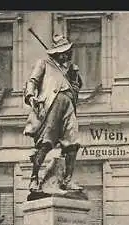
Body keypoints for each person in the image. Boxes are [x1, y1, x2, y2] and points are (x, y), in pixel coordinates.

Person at [23, 34, 83, 192]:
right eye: (62, 52)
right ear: (55, 53)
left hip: (69, 106)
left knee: (73, 143)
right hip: (52, 104)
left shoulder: (69, 69)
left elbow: (77, 87)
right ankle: (34, 179)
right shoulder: (44, 63)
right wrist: (31, 96)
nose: (65, 54)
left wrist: (75, 76)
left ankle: (67, 181)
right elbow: (32, 81)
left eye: (67, 51)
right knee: (46, 142)